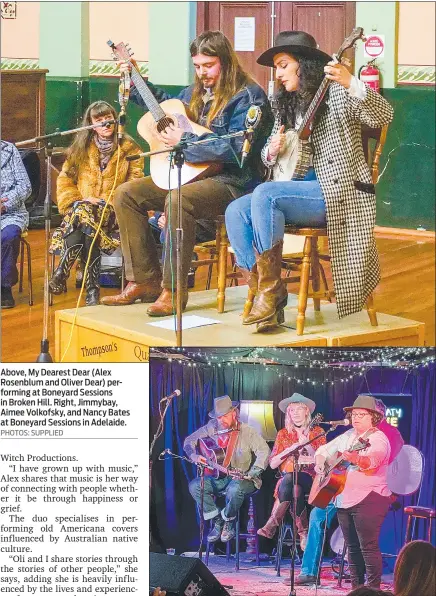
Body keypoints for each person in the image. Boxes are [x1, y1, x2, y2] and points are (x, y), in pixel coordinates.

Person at [225, 30, 394, 331]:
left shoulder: (338, 93)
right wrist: (270, 150)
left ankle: (269, 295)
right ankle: (268, 292)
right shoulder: (286, 103)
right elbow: (267, 156)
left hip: (339, 193)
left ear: (304, 65)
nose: (277, 74)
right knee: (235, 211)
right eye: (276, 67)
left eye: (283, 65)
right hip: (297, 190)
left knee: (266, 195)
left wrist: (351, 83)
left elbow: (384, 115)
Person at [101, 30, 273, 315]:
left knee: (178, 199)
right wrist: (134, 77)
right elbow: (163, 104)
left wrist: (185, 142)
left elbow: (234, 149)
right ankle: (143, 280)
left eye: (208, 65)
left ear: (226, 61)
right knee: (126, 194)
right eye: (197, 66)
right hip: (192, 175)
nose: (202, 73)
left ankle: (172, 290)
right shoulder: (196, 94)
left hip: (232, 182)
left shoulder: (248, 96)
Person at [295, 397, 405, 586]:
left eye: (361, 415)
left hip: (369, 498)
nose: (356, 418)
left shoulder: (379, 438)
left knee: (367, 547)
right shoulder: (349, 435)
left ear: (374, 417)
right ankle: (356, 587)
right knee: (352, 548)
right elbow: (323, 449)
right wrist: (321, 463)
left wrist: (356, 458)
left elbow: (372, 461)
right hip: (343, 497)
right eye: (354, 414)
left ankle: (372, 589)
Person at [49, 101, 144, 305]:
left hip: (115, 210)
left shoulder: (129, 148)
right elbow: (65, 180)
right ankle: (92, 290)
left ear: (115, 119)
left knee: (84, 218)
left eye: (108, 118)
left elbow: (135, 184)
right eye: (99, 120)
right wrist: (79, 200)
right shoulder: (80, 148)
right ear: (90, 123)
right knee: (85, 219)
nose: (105, 123)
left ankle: (62, 272)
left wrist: (105, 201)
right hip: (82, 209)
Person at [183, 395, 270, 543]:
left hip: (244, 479)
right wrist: (194, 456)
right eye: (218, 417)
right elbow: (189, 440)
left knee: (234, 489)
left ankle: (229, 520)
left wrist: (253, 472)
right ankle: (218, 520)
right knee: (195, 486)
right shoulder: (212, 427)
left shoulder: (247, 431)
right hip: (219, 478)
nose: (221, 420)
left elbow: (264, 451)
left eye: (224, 416)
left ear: (234, 413)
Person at [257, 393, 325, 548]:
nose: (295, 413)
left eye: (298, 409)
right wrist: (291, 449)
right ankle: (304, 533)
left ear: (307, 411)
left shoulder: (318, 431)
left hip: (311, 478)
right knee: (294, 488)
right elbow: (273, 464)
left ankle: (271, 525)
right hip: (289, 481)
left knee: (290, 480)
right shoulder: (283, 434)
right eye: (291, 410)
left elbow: (322, 459)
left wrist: (306, 443)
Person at [1, 140, 32, 309]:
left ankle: (4, 287)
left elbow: (25, 186)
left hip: (10, 213)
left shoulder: (9, 150)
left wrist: (4, 204)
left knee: (9, 236)